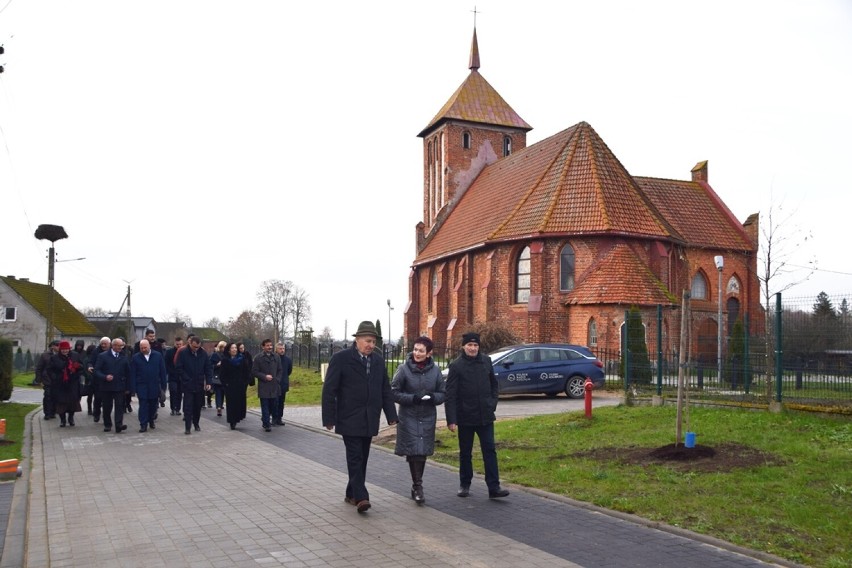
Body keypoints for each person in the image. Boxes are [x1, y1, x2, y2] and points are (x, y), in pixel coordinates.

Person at [322, 320, 398, 514]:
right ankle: (362, 497)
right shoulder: (341, 359)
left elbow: (385, 389)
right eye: (367, 341)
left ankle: (351, 493)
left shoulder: (379, 361)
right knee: (355, 457)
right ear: (357, 340)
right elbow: (329, 390)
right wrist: (328, 418)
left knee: (362, 458)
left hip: (369, 418)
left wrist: (391, 415)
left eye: (373, 341)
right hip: (348, 417)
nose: (371, 345)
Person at [445, 332, 509, 499]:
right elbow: (450, 395)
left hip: (485, 416)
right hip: (465, 417)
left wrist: (492, 403)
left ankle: (494, 487)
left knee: (490, 450)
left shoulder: (486, 361)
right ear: (463, 346)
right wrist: (451, 419)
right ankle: (464, 484)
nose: (472, 348)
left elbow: (494, 386)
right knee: (465, 452)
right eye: (469, 345)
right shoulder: (456, 366)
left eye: (475, 345)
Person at [391, 335, 446, 504]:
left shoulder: (435, 371)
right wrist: (412, 398)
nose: (417, 353)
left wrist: (432, 396)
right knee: (414, 451)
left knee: (421, 451)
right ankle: (418, 486)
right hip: (409, 416)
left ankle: (416, 486)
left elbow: (443, 393)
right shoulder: (404, 369)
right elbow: (393, 391)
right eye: (415, 349)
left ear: (429, 353)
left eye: (421, 351)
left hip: (427, 416)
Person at [93, 338, 131, 434]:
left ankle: (119, 425)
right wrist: (105, 377)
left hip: (119, 386)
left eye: (122, 346)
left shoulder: (124, 357)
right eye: (119, 346)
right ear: (113, 346)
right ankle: (107, 424)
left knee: (119, 406)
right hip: (106, 386)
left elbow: (128, 373)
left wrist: (128, 387)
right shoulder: (103, 356)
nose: (120, 348)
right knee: (107, 406)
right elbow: (96, 371)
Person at [176, 336, 212, 434]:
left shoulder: (203, 353)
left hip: (199, 384)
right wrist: (186, 378)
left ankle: (196, 423)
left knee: (197, 406)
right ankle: (187, 427)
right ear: (190, 344)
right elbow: (179, 368)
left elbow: (208, 368)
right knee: (188, 406)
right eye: (194, 347)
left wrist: (208, 382)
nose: (196, 349)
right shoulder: (183, 353)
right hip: (188, 384)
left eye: (198, 347)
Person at [129, 339, 167, 433]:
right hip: (141, 385)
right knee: (143, 405)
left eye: (145, 347)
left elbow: (162, 371)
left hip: (154, 385)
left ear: (149, 346)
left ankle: (151, 420)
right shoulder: (136, 357)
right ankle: (143, 424)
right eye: (141, 348)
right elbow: (132, 373)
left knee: (153, 405)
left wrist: (163, 386)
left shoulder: (157, 356)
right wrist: (133, 389)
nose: (143, 349)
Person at [48, 341, 83, 427]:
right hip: (60, 384)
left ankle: (71, 418)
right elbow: (50, 370)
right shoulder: (54, 358)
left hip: (72, 383)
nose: (65, 351)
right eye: (63, 349)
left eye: (66, 349)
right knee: (61, 403)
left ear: (69, 349)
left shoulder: (75, 355)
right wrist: (55, 377)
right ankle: (62, 420)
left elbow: (82, 367)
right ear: (60, 349)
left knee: (72, 402)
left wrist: (77, 368)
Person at [251, 339, 281, 432]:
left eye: (271, 345)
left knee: (273, 405)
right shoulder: (258, 358)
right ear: (263, 347)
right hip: (264, 386)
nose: (270, 347)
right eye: (267, 345)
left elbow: (280, 370)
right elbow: (254, 371)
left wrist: (277, 379)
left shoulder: (276, 357)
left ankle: (266, 419)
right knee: (265, 405)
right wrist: (264, 376)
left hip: (274, 385)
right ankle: (266, 424)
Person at [221, 342, 249, 430]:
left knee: (239, 403)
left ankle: (237, 418)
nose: (234, 350)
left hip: (240, 385)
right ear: (229, 350)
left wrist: (245, 382)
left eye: (235, 348)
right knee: (231, 404)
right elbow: (222, 374)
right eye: (232, 348)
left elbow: (246, 371)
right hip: (230, 385)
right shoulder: (225, 360)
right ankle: (232, 421)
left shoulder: (242, 359)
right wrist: (225, 383)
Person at [87, 337, 111, 422]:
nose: (103, 345)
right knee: (98, 398)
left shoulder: (112, 351)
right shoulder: (96, 351)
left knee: (107, 400)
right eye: (102, 344)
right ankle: (96, 413)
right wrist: (89, 366)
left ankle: (106, 416)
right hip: (98, 378)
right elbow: (90, 361)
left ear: (109, 344)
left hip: (109, 378)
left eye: (105, 344)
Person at [35, 340, 60, 419]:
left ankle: (53, 412)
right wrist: (39, 380)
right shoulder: (45, 355)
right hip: (47, 379)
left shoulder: (61, 355)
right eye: (57, 345)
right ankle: (47, 413)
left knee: (55, 396)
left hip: (57, 379)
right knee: (47, 396)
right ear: (52, 346)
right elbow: (39, 368)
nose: (58, 347)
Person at [274, 342, 292, 426]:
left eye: (283, 348)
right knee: (274, 402)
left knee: (281, 402)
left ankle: (279, 418)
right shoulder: (273, 358)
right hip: (274, 383)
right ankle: (274, 417)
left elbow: (289, 371)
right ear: (276, 349)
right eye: (280, 349)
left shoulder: (288, 360)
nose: (282, 350)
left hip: (283, 383)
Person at [164, 337, 184, 416]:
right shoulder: (169, 352)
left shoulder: (184, 352)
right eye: (177, 344)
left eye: (180, 344)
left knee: (179, 393)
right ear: (174, 344)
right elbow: (166, 363)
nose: (179, 346)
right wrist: (169, 372)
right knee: (173, 392)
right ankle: (173, 408)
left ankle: (178, 409)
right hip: (172, 376)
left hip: (181, 376)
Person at [210, 341, 226, 416]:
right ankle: (218, 407)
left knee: (222, 392)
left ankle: (220, 405)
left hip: (225, 377)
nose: (224, 349)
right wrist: (217, 365)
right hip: (217, 376)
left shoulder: (227, 355)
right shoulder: (214, 355)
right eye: (223, 347)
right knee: (218, 392)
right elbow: (210, 366)